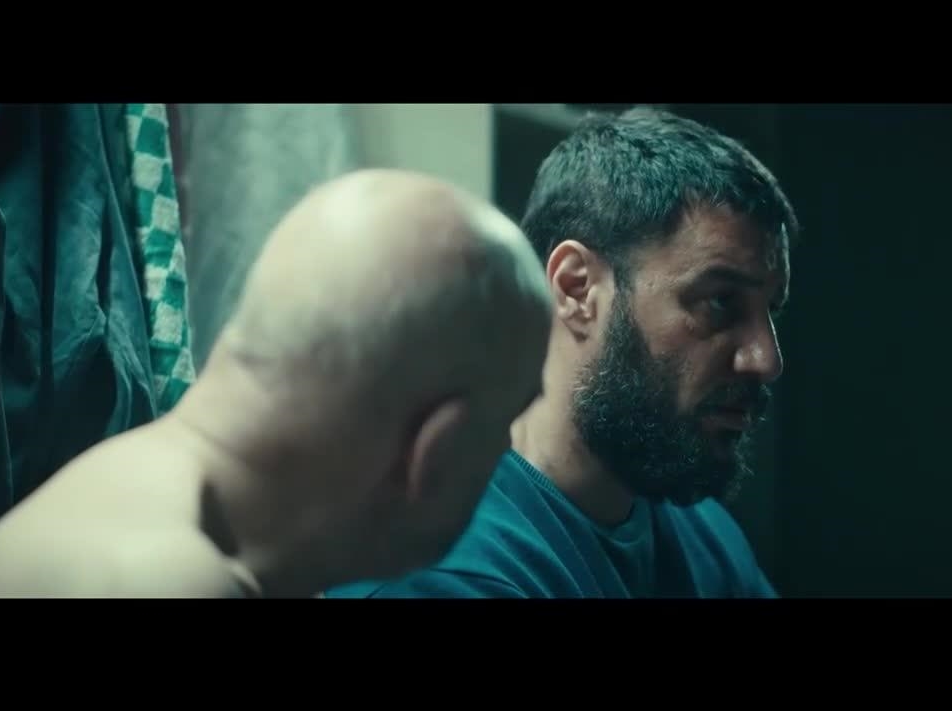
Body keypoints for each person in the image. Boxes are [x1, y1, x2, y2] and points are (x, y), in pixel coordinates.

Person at [0, 168, 553, 598]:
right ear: (436, 452)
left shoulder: (131, 503)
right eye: (504, 423)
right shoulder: (166, 580)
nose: (507, 449)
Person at [327, 107, 797, 599]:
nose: (766, 359)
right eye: (720, 302)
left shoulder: (704, 535)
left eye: (770, 311)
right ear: (577, 289)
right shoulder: (444, 573)